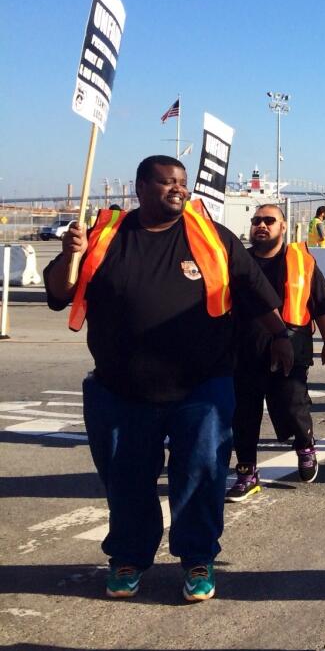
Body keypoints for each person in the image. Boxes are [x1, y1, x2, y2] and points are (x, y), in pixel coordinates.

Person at [43, 155, 292, 603]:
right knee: (127, 478)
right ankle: (128, 557)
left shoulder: (210, 237)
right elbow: (59, 294)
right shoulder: (104, 237)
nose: (178, 188)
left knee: (202, 471)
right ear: (139, 188)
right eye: (166, 182)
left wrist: (281, 335)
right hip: (120, 389)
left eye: (181, 181)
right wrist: (69, 255)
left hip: (202, 385)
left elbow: (251, 287)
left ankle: (198, 558)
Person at [227, 205, 325, 502]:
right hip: (245, 350)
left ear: (283, 226)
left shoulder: (301, 261)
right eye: (256, 221)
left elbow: (321, 305)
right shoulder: (238, 263)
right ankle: (247, 472)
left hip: (292, 346)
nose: (261, 226)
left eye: (268, 221)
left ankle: (305, 445)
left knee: (292, 405)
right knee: (244, 414)